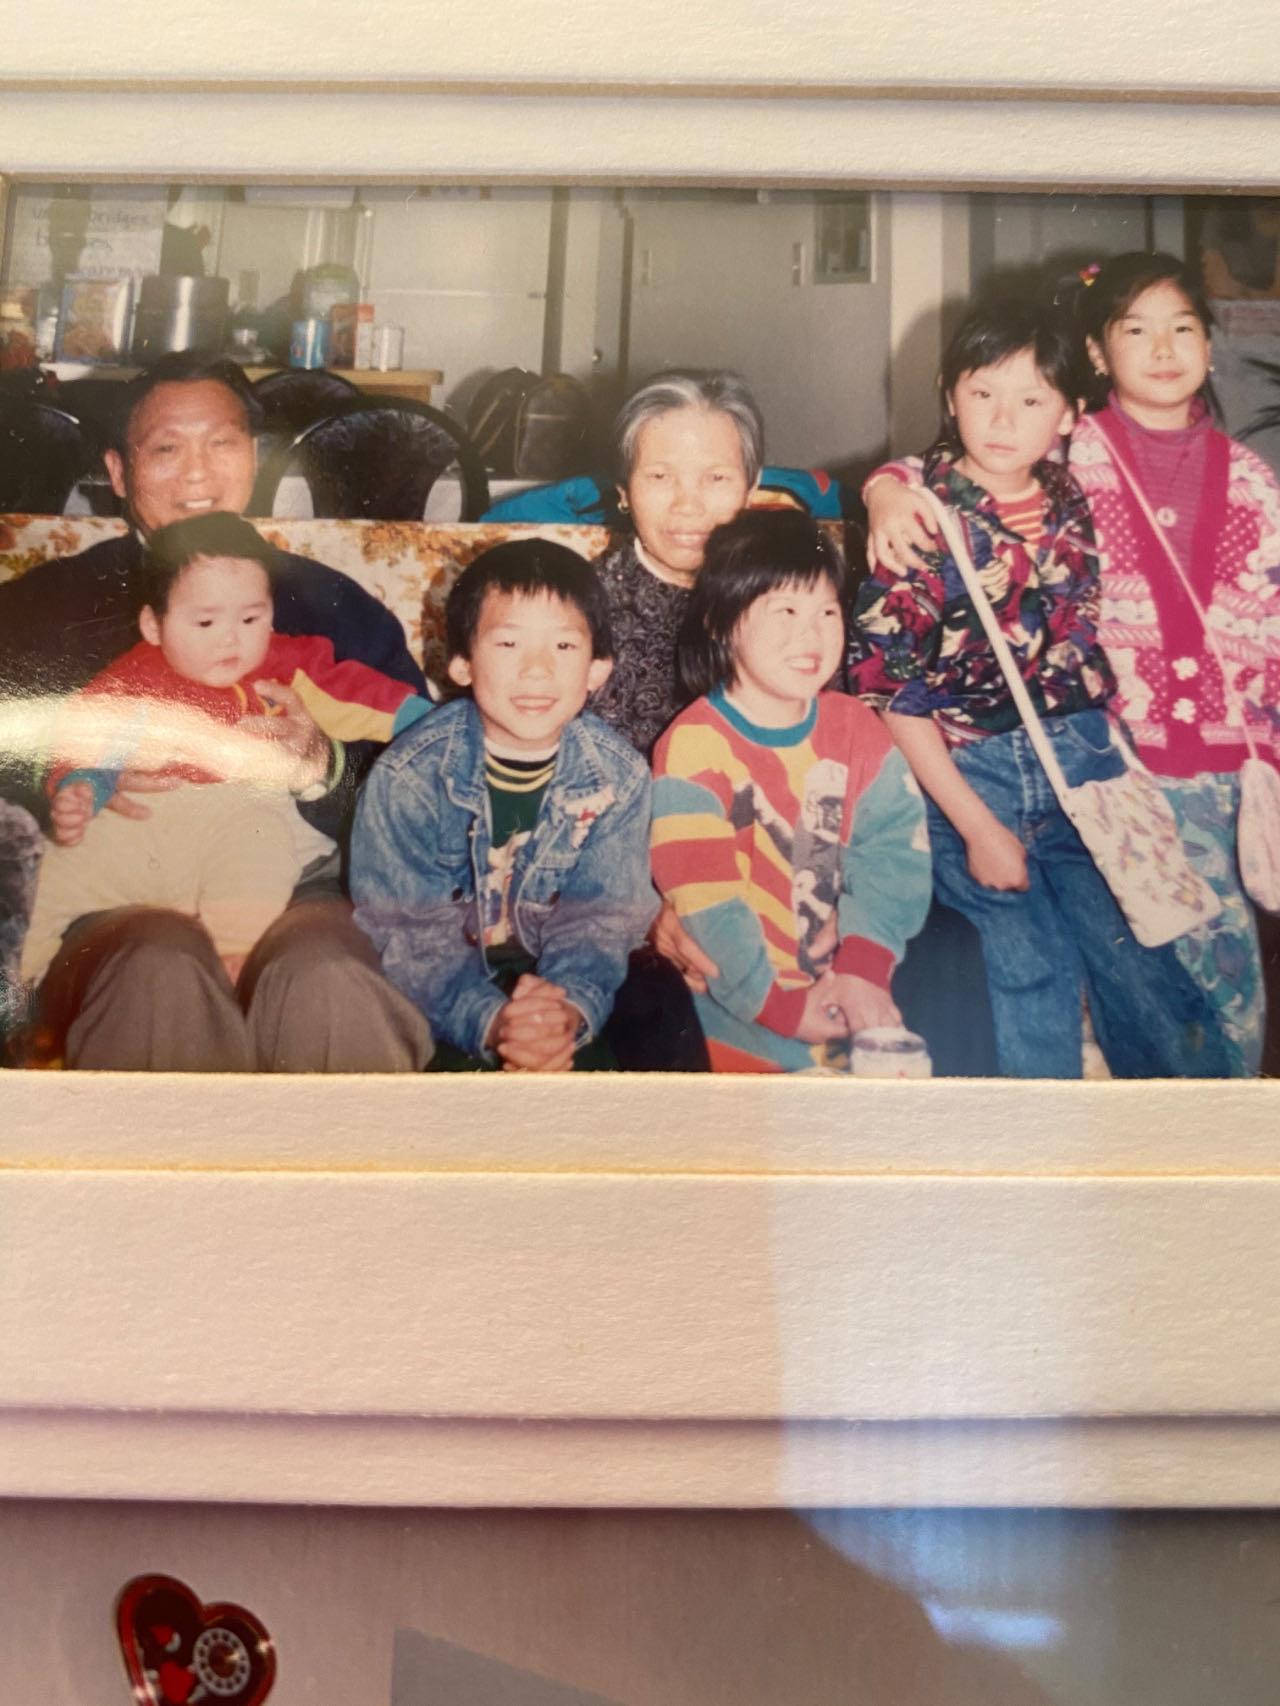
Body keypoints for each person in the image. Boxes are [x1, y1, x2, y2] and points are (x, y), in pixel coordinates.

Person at [864, 255, 1280, 1075]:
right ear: (1096, 356)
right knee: (1068, 975)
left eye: (1183, 327)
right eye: (1136, 329)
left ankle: (1209, 1156)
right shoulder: (1072, 448)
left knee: (1203, 984)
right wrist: (883, 490)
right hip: (1094, 758)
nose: (1162, 348)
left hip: (1207, 771)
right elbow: (942, 465)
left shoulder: (1251, 479)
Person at [0, 350, 432, 1071]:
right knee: (156, 968)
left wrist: (322, 766)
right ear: (117, 471)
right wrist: (66, 787)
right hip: (119, 900)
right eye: (167, 449)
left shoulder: (333, 607)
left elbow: (429, 773)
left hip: (305, 889)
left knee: (330, 980)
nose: (198, 474)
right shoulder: (42, 610)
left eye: (221, 444)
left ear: (255, 457)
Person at [22, 512, 432, 992]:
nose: (231, 637)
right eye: (205, 620)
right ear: (153, 625)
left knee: (259, 852)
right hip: (147, 831)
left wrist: (435, 721)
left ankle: (232, 957)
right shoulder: (135, 676)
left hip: (244, 816)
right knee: (50, 872)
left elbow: (370, 698)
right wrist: (80, 785)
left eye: (251, 617)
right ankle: (18, 987)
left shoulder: (289, 665)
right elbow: (85, 731)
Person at [350, 539, 656, 1072]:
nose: (537, 671)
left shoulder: (619, 777)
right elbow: (409, 935)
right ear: (463, 664)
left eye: (563, 647)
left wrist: (562, 1015)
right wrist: (494, 1022)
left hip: (560, 979)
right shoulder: (410, 777)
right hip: (441, 985)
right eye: (509, 644)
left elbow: (602, 921)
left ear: (598, 669)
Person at [651, 510, 930, 1073]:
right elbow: (707, 901)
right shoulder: (694, 745)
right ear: (720, 621)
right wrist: (778, 1006)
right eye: (785, 611)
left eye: (827, 611)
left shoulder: (856, 727)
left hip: (852, 987)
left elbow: (897, 852)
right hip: (741, 1013)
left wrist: (863, 963)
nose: (812, 634)